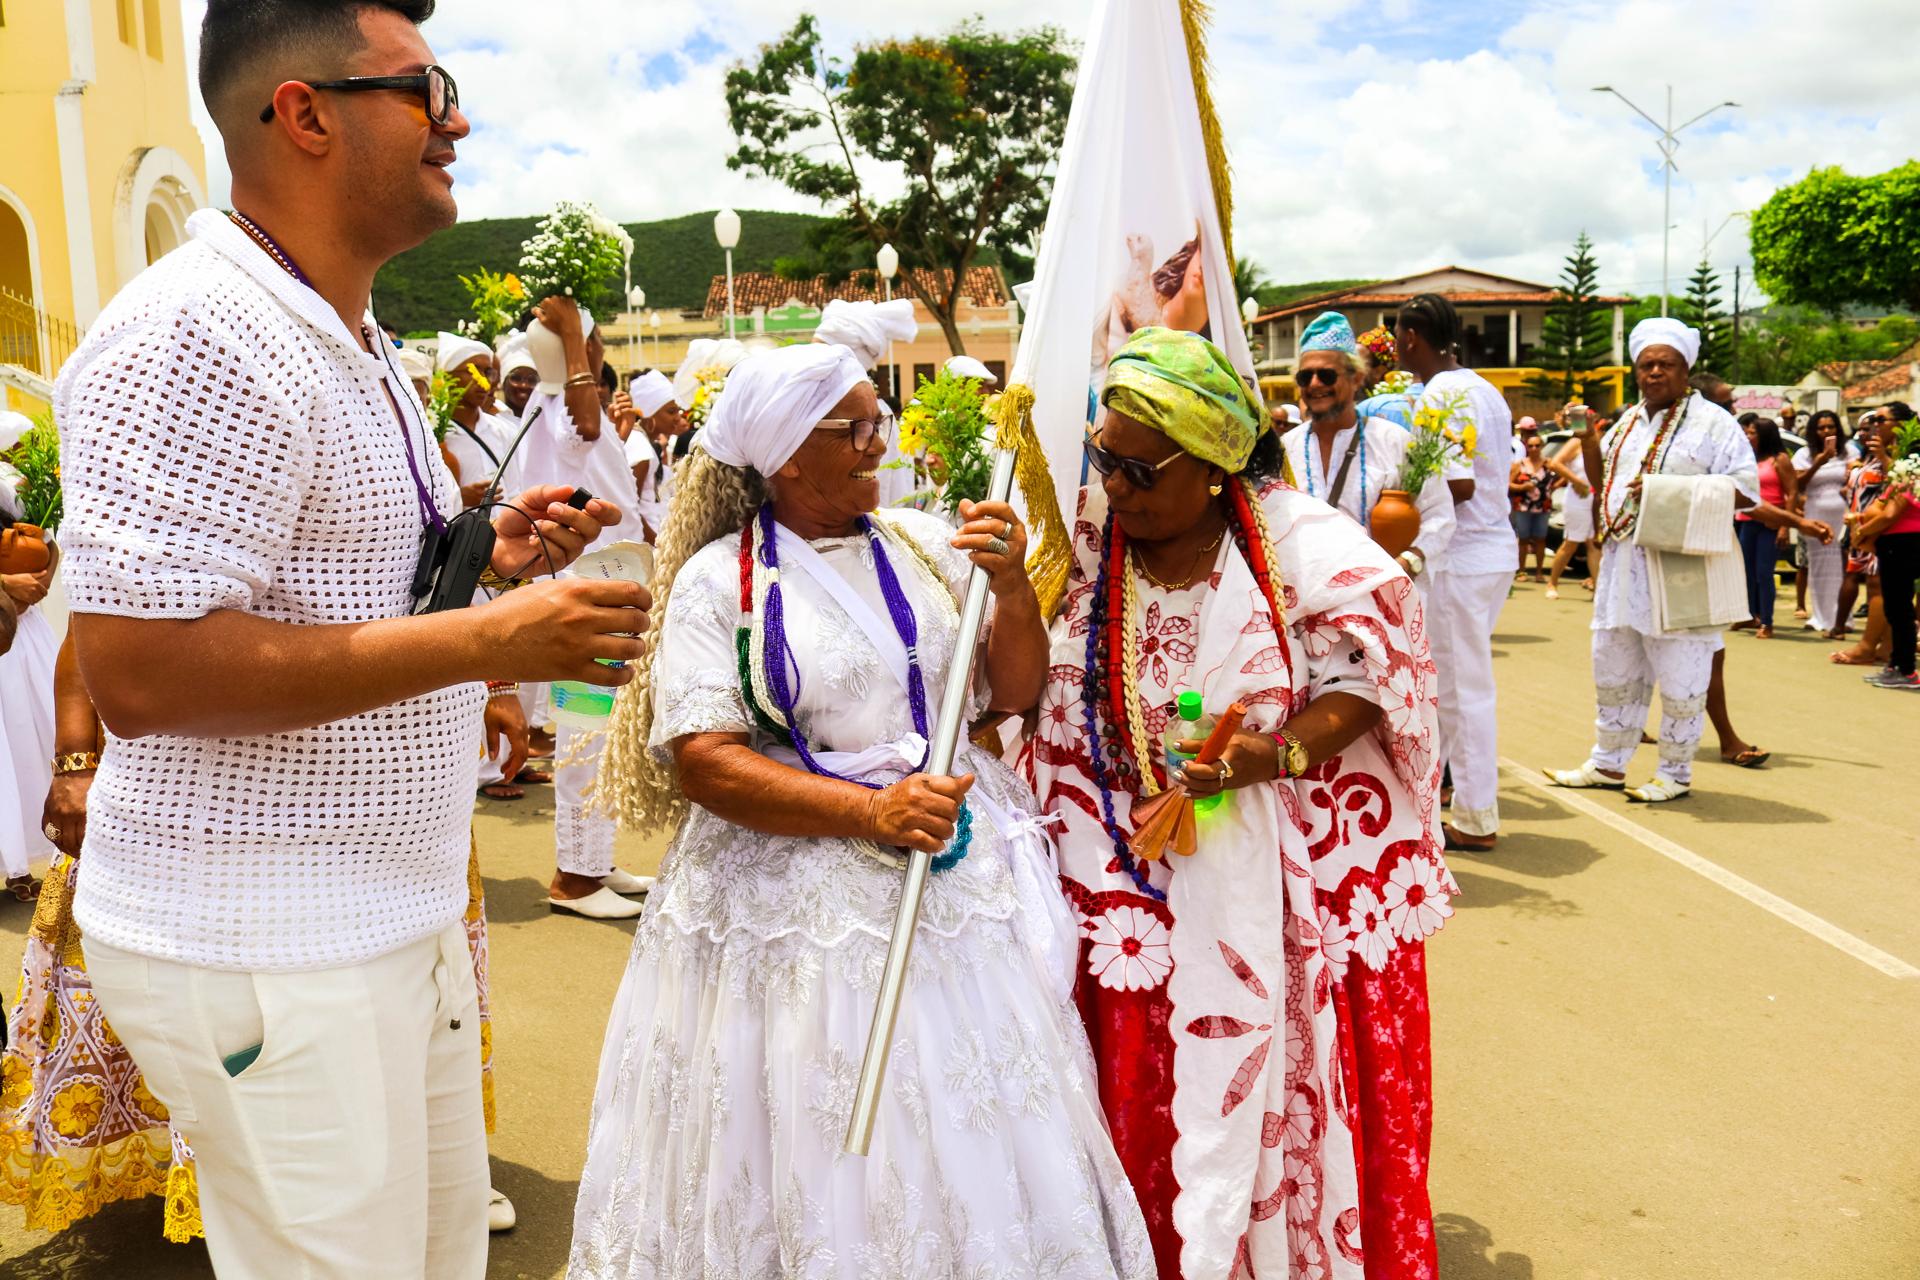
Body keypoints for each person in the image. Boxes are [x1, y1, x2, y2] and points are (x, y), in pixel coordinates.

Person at [52, 3, 644, 1273]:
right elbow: (141, 668)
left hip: (380, 910)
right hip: (271, 937)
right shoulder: (196, 332)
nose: (457, 123)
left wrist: (486, 553)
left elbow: (332, 581)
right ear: (305, 114)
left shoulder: (345, 330)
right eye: (426, 90)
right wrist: (492, 643)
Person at [569, 341, 1154, 1278]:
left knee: (963, 1118)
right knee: (812, 1117)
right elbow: (707, 763)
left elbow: (1010, 693)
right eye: (854, 428)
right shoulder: (720, 580)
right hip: (788, 905)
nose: (878, 442)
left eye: (877, 421)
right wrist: (872, 814)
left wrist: (1009, 587)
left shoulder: (922, 544)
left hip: (950, 879)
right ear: (788, 455)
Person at [1029, 327, 1450, 1278]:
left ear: (1216, 468)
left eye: (1140, 470)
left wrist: (1279, 753)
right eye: (1104, 458)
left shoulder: (1304, 544)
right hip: (1119, 869)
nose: (1114, 486)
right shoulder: (1087, 543)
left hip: (1283, 868)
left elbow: (1371, 675)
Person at [2, 632, 527, 1239]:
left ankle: (427, 1166)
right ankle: (222, 1182)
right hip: (206, 810)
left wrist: (498, 682)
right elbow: (93, 637)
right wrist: (76, 763)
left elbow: (452, 601)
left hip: (401, 805)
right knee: (231, 1011)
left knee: (411, 1004)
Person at [1544, 318, 1758, 803]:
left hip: (1680, 567)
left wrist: (1669, 492)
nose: (1655, 372)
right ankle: (1608, 763)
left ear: (1686, 370)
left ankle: (1675, 773)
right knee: (1614, 665)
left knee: (1682, 672)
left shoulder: (1714, 422)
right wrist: (1590, 440)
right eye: (1646, 364)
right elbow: (1603, 483)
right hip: (1622, 565)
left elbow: (1747, 490)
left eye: (1666, 364)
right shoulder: (1627, 422)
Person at [511, 295, 656, 919]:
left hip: (606, 586)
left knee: (602, 734)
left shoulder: (555, 412)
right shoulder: (563, 412)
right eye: (595, 345)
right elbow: (588, 430)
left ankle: (594, 861)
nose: (598, 353)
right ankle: (574, 877)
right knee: (584, 735)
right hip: (586, 594)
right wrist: (574, 337)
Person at [1396, 292, 1515, 850]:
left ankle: (1475, 815)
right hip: (1490, 552)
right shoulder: (1483, 387)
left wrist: (1400, 499)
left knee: (1461, 692)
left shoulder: (1442, 392)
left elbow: (1458, 484)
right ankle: (1446, 799)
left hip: (1462, 558)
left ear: (1410, 338)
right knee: (1453, 687)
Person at [1279, 310, 1454, 588]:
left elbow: (1439, 514)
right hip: (1305, 597)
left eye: (1327, 375)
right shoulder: (1285, 449)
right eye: (1305, 377)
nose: (1314, 384)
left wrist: (1409, 561)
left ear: (1356, 378)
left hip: (1380, 592)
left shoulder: (1395, 442)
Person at [0, 412, 55, 900]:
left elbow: (48, 546)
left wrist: (36, 583)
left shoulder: (18, 492)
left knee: (27, 743)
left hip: (22, 637)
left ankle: (20, 866)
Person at [1852, 402, 1920, 690]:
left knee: (1900, 607)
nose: (1876, 425)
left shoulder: (1912, 463)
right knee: (1896, 606)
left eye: (1881, 420)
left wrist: (1862, 531)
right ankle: (1896, 664)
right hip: (1896, 541)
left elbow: (1893, 511)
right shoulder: (1903, 462)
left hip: (1904, 540)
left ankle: (1906, 670)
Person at [1833, 409, 1894, 666]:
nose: (1871, 430)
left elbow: (1900, 485)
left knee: (1879, 586)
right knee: (1871, 585)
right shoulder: (1864, 459)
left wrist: (1884, 457)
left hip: (1880, 529)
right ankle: (1884, 646)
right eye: (1868, 427)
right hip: (1860, 527)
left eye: (1879, 422)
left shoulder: (1895, 457)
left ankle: (1872, 646)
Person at [1734, 416, 1798, 639]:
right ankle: (1750, 614)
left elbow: (1792, 493)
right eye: (1748, 432)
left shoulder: (1780, 459)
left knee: (1764, 572)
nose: (1748, 436)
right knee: (1746, 572)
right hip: (1746, 520)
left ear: (1765, 435)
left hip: (1770, 523)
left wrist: (1785, 526)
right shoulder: (1748, 458)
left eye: (1753, 433)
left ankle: (1767, 621)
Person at [438, 331, 516, 509]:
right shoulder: (434, 436)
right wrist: (460, 498)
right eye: (472, 371)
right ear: (447, 376)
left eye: (487, 372)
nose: (483, 381)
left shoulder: (504, 430)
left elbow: (515, 491)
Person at [1792, 409, 1851, 635]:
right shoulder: (1804, 454)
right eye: (1821, 427)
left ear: (1838, 429)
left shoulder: (1849, 452)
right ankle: (1820, 616)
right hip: (1816, 513)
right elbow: (1797, 484)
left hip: (1843, 515)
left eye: (1831, 426)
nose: (1826, 431)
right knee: (1818, 567)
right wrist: (1818, 462)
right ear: (1813, 431)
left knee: (1842, 566)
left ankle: (1842, 618)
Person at [1543, 418, 1599, 599]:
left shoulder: (1603, 441)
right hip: (1578, 497)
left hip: (1596, 498)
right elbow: (1555, 463)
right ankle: (1552, 583)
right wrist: (1577, 481)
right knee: (1571, 543)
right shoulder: (1576, 442)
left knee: (1593, 543)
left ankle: (1598, 590)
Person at [1509, 430, 1552, 582]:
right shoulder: (1519, 465)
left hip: (1543, 506)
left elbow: (1562, 477)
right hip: (1523, 506)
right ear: (1527, 447)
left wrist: (1551, 488)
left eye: (1537, 445)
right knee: (1523, 539)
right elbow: (1508, 484)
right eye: (1531, 446)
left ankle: (1539, 572)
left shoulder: (1548, 463)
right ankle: (1521, 571)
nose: (1534, 449)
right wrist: (1522, 487)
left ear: (1542, 447)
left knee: (1540, 539)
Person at [498, 335, 538, 420]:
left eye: (531, 380)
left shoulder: (549, 422)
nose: (524, 385)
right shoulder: (491, 421)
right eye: (516, 378)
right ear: (503, 383)